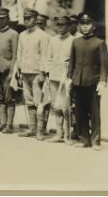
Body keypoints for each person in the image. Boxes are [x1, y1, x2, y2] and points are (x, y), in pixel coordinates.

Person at [67, 12, 108, 150]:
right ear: (79, 26)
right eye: (82, 24)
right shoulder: (75, 42)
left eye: (88, 24)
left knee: (94, 112)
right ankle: (84, 138)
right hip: (78, 81)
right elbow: (72, 62)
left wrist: (103, 81)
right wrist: (69, 78)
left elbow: (104, 64)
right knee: (80, 111)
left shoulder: (99, 43)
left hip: (93, 82)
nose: (85, 27)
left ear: (93, 26)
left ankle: (95, 140)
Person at [16, 8, 51, 139]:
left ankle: (40, 131)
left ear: (36, 19)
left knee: (39, 102)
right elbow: (19, 53)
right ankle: (32, 128)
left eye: (29, 18)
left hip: (37, 73)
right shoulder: (22, 35)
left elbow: (45, 56)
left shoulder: (43, 36)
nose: (26, 20)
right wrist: (19, 69)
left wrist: (42, 73)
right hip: (25, 72)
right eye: (25, 18)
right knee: (29, 101)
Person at [43, 15, 74, 144]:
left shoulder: (73, 40)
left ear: (69, 26)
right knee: (56, 106)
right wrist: (47, 73)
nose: (60, 27)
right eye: (58, 25)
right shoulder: (53, 40)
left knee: (66, 107)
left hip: (66, 78)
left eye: (63, 25)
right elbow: (48, 58)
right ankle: (58, 133)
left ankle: (67, 135)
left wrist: (70, 76)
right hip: (54, 77)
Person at [0, 7, 19, 133]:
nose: (0, 21)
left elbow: (15, 55)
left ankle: (9, 125)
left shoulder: (13, 34)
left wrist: (12, 72)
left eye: (3, 18)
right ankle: (2, 122)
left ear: (8, 19)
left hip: (8, 70)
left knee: (9, 98)